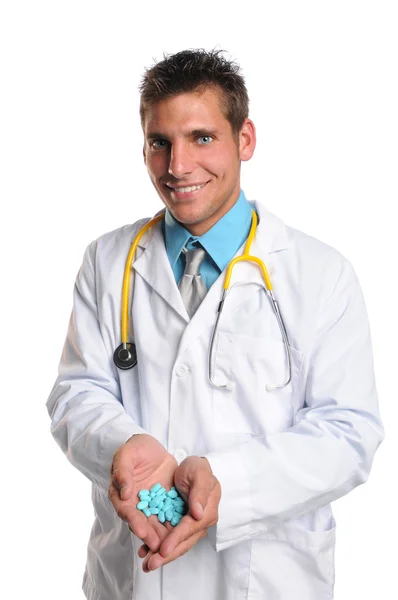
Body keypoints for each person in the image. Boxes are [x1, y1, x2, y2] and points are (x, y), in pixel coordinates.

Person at [46, 48, 384, 600]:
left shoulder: (321, 274)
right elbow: (75, 392)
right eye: (161, 142)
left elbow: (349, 433)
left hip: (267, 579)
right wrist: (122, 446)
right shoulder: (108, 263)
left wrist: (231, 482)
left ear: (244, 139)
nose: (178, 166)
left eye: (202, 137)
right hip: (131, 575)